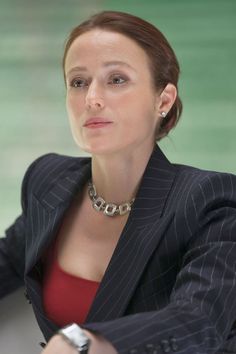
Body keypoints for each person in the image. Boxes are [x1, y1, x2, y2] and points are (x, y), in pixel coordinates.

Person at [1, 10, 236, 354]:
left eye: (117, 80)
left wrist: (81, 342)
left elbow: (198, 319)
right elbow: (8, 261)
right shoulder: (48, 181)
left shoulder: (210, 202)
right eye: (78, 82)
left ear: (164, 100)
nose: (92, 99)